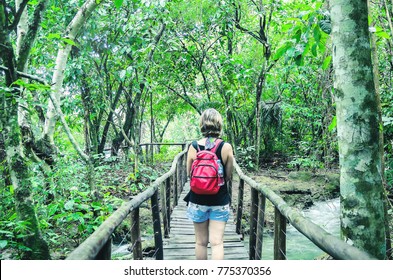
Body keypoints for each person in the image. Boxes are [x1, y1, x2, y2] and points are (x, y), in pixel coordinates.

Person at [184, 108, 234, 260]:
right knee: (217, 243)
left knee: (200, 243)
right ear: (219, 124)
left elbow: (189, 174)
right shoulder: (225, 147)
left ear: (202, 124)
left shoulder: (193, 146)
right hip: (219, 199)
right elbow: (228, 176)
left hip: (197, 199)